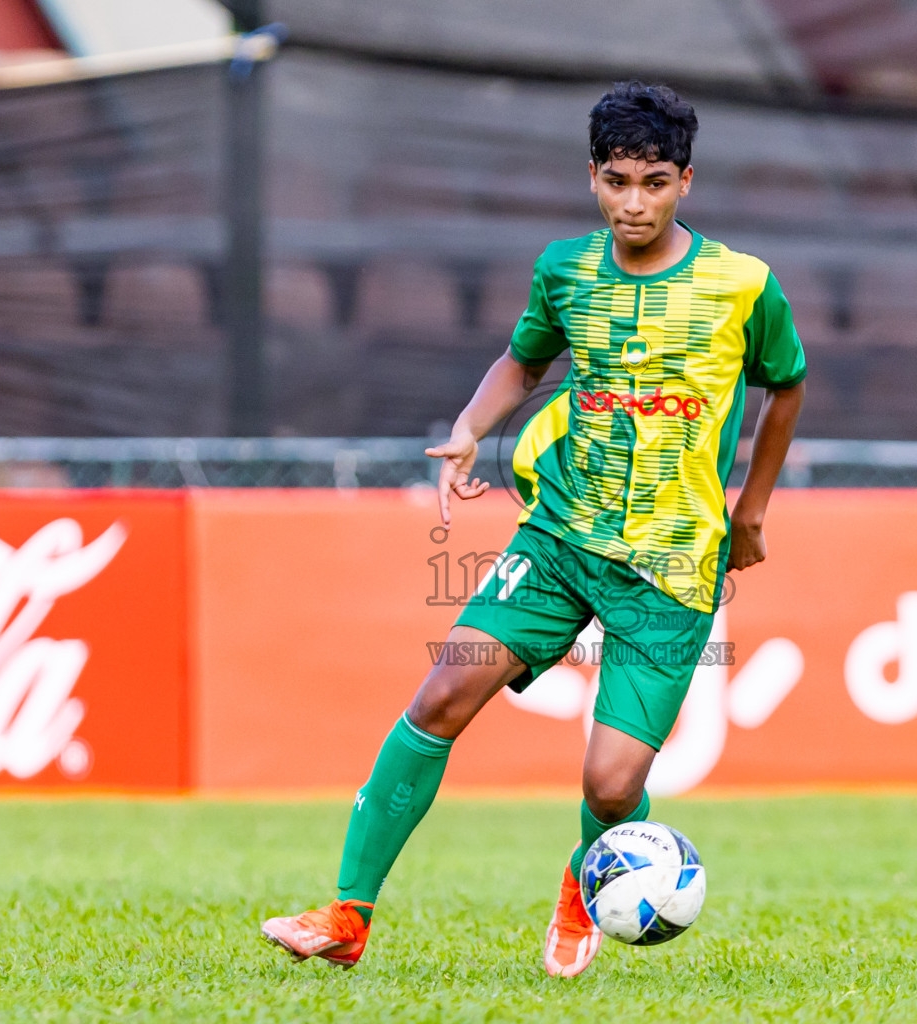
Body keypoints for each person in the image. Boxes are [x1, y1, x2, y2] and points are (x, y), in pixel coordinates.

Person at [262, 80, 806, 977]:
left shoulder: (743, 285)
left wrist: (751, 507)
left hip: (670, 570)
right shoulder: (565, 269)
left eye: (656, 183)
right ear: (593, 177)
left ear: (686, 183)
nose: (637, 202)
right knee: (441, 695)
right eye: (620, 181)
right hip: (558, 542)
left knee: (611, 784)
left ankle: (580, 888)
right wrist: (471, 428)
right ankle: (348, 916)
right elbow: (522, 361)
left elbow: (785, 384)